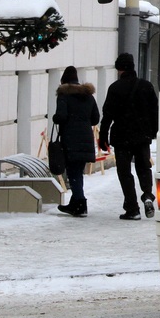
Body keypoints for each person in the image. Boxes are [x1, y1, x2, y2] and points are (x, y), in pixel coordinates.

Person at [99, 52, 159, 220]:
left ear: (120, 69)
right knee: (144, 168)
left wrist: (103, 137)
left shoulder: (115, 88)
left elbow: (108, 115)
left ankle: (132, 208)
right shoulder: (146, 86)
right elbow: (155, 111)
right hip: (142, 136)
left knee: (124, 172)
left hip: (122, 137)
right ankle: (147, 195)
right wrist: (153, 131)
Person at [53, 66, 100, 217]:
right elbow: (95, 119)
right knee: (77, 172)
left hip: (70, 139)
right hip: (86, 138)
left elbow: (61, 117)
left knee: (74, 172)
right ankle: (75, 203)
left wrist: (55, 118)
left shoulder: (63, 95)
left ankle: (80, 204)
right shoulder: (88, 96)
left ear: (63, 81)